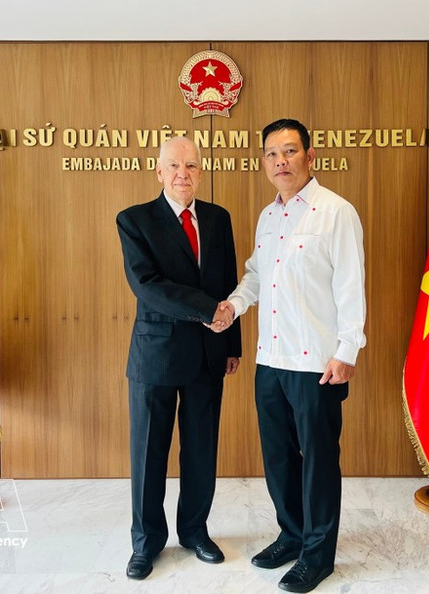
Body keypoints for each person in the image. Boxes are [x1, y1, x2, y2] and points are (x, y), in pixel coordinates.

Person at [218, 118, 366, 593]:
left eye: (289, 151)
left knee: (318, 459)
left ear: (309, 157)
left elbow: (350, 288)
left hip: (318, 364)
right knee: (278, 456)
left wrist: (347, 351)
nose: (280, 161)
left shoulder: (336, 212)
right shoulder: (268, 217)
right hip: (271, 360)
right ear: (264, 163)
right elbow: (256, 277)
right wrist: (232, 306)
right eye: (272, 154)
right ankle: (293, 533)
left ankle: (318, 555)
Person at [116, 136, 241, 580]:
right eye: (173, 165)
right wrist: (208, 311)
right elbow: (147, 285)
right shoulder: (134, 220)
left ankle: (194, 532)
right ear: (158, 171)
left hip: (210, 355)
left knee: (202, 450)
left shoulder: (218, 218)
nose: (182, 173)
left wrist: (232, 344)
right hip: (156, 356)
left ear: (200, 170)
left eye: (190, 165)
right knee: (149, 454)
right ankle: (146, 543)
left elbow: (227, 282)